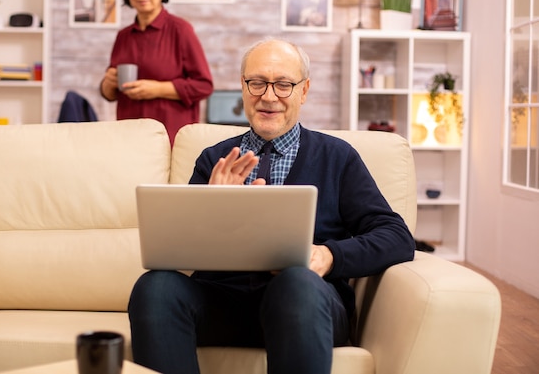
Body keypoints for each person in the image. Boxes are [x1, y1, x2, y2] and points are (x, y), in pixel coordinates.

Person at [128, 38, 415, 374]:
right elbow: (177, 251)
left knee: (296, 283)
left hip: (304, 304)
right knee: (155, 287)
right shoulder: (213, 159)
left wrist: (328, 256)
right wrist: (214, 206)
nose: (268, 96)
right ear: (243, 87)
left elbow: (397, 236)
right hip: (223, 303)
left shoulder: (337, 158)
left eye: (283, 85)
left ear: (304, 91)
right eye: (257, 83)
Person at [99, 0, 213, 145]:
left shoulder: (180, 30)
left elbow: (204, 86)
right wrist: (107, 84)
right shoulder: (123, 36)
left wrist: (157, 89)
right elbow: (111, 93)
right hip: (128, 138)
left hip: (171, 140)